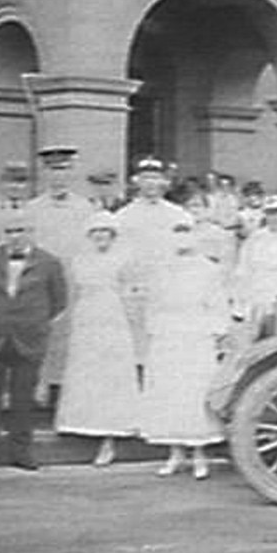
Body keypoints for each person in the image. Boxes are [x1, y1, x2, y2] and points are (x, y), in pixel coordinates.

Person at [0, 214, 68, 474]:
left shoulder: (49, 263)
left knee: (23, 397)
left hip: (29, 337)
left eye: (21, 230)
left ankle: (22, 451)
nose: (15, 236)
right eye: (10, 230)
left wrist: (32, 321)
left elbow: (58, 302)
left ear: (32, 232)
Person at [140, 218, 229, 480]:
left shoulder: (207, 270)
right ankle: (174, 453)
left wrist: (215, 332)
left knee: (194, 392)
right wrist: (153, 329)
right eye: (176, 234)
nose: (182, 240)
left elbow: (217, 304)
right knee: (169, 392)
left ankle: (200, 454)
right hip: (168, 334)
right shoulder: (161, 269)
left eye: (186, 234)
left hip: (195, 333)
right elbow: (153, 304)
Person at [55, 212, 141, 467]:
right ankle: (82, 424)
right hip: (86, 317)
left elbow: (132, 292)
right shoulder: (79, 261)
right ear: (89, 235)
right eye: (96, 231)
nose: (101, 236)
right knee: (86, 371)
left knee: (111, 373)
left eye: (106, 231)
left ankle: (110, 435)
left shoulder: (123, 259)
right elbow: (74, 292)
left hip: (113, 316)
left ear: (113, 235)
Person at [25, 145, 98, 406]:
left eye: (64, 170)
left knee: (72, 330)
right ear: (45, 175)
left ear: (73, 173)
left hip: (73, 276)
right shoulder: (32, 209)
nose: (59, 177)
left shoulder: (85, 208)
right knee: (41, 329)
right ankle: (41, 383)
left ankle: (68, 386)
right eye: (53, 171)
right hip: (41, 277)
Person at [115, 156, 194, 378]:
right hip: (136, 289)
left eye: (156, 178)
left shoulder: (179, 215)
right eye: (146, 178)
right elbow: (119, 256)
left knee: (168, 340)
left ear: (164, 183)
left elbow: (187, 253)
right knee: (137, 341)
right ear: (136, 182)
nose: (151, 184)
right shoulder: (123, 217)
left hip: (169, 287)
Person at [233, 195, 277, 324]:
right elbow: (243, 271)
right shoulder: (255, 239)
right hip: (258, 295)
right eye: (270, 213)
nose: (275, 217)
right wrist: (239, 306)